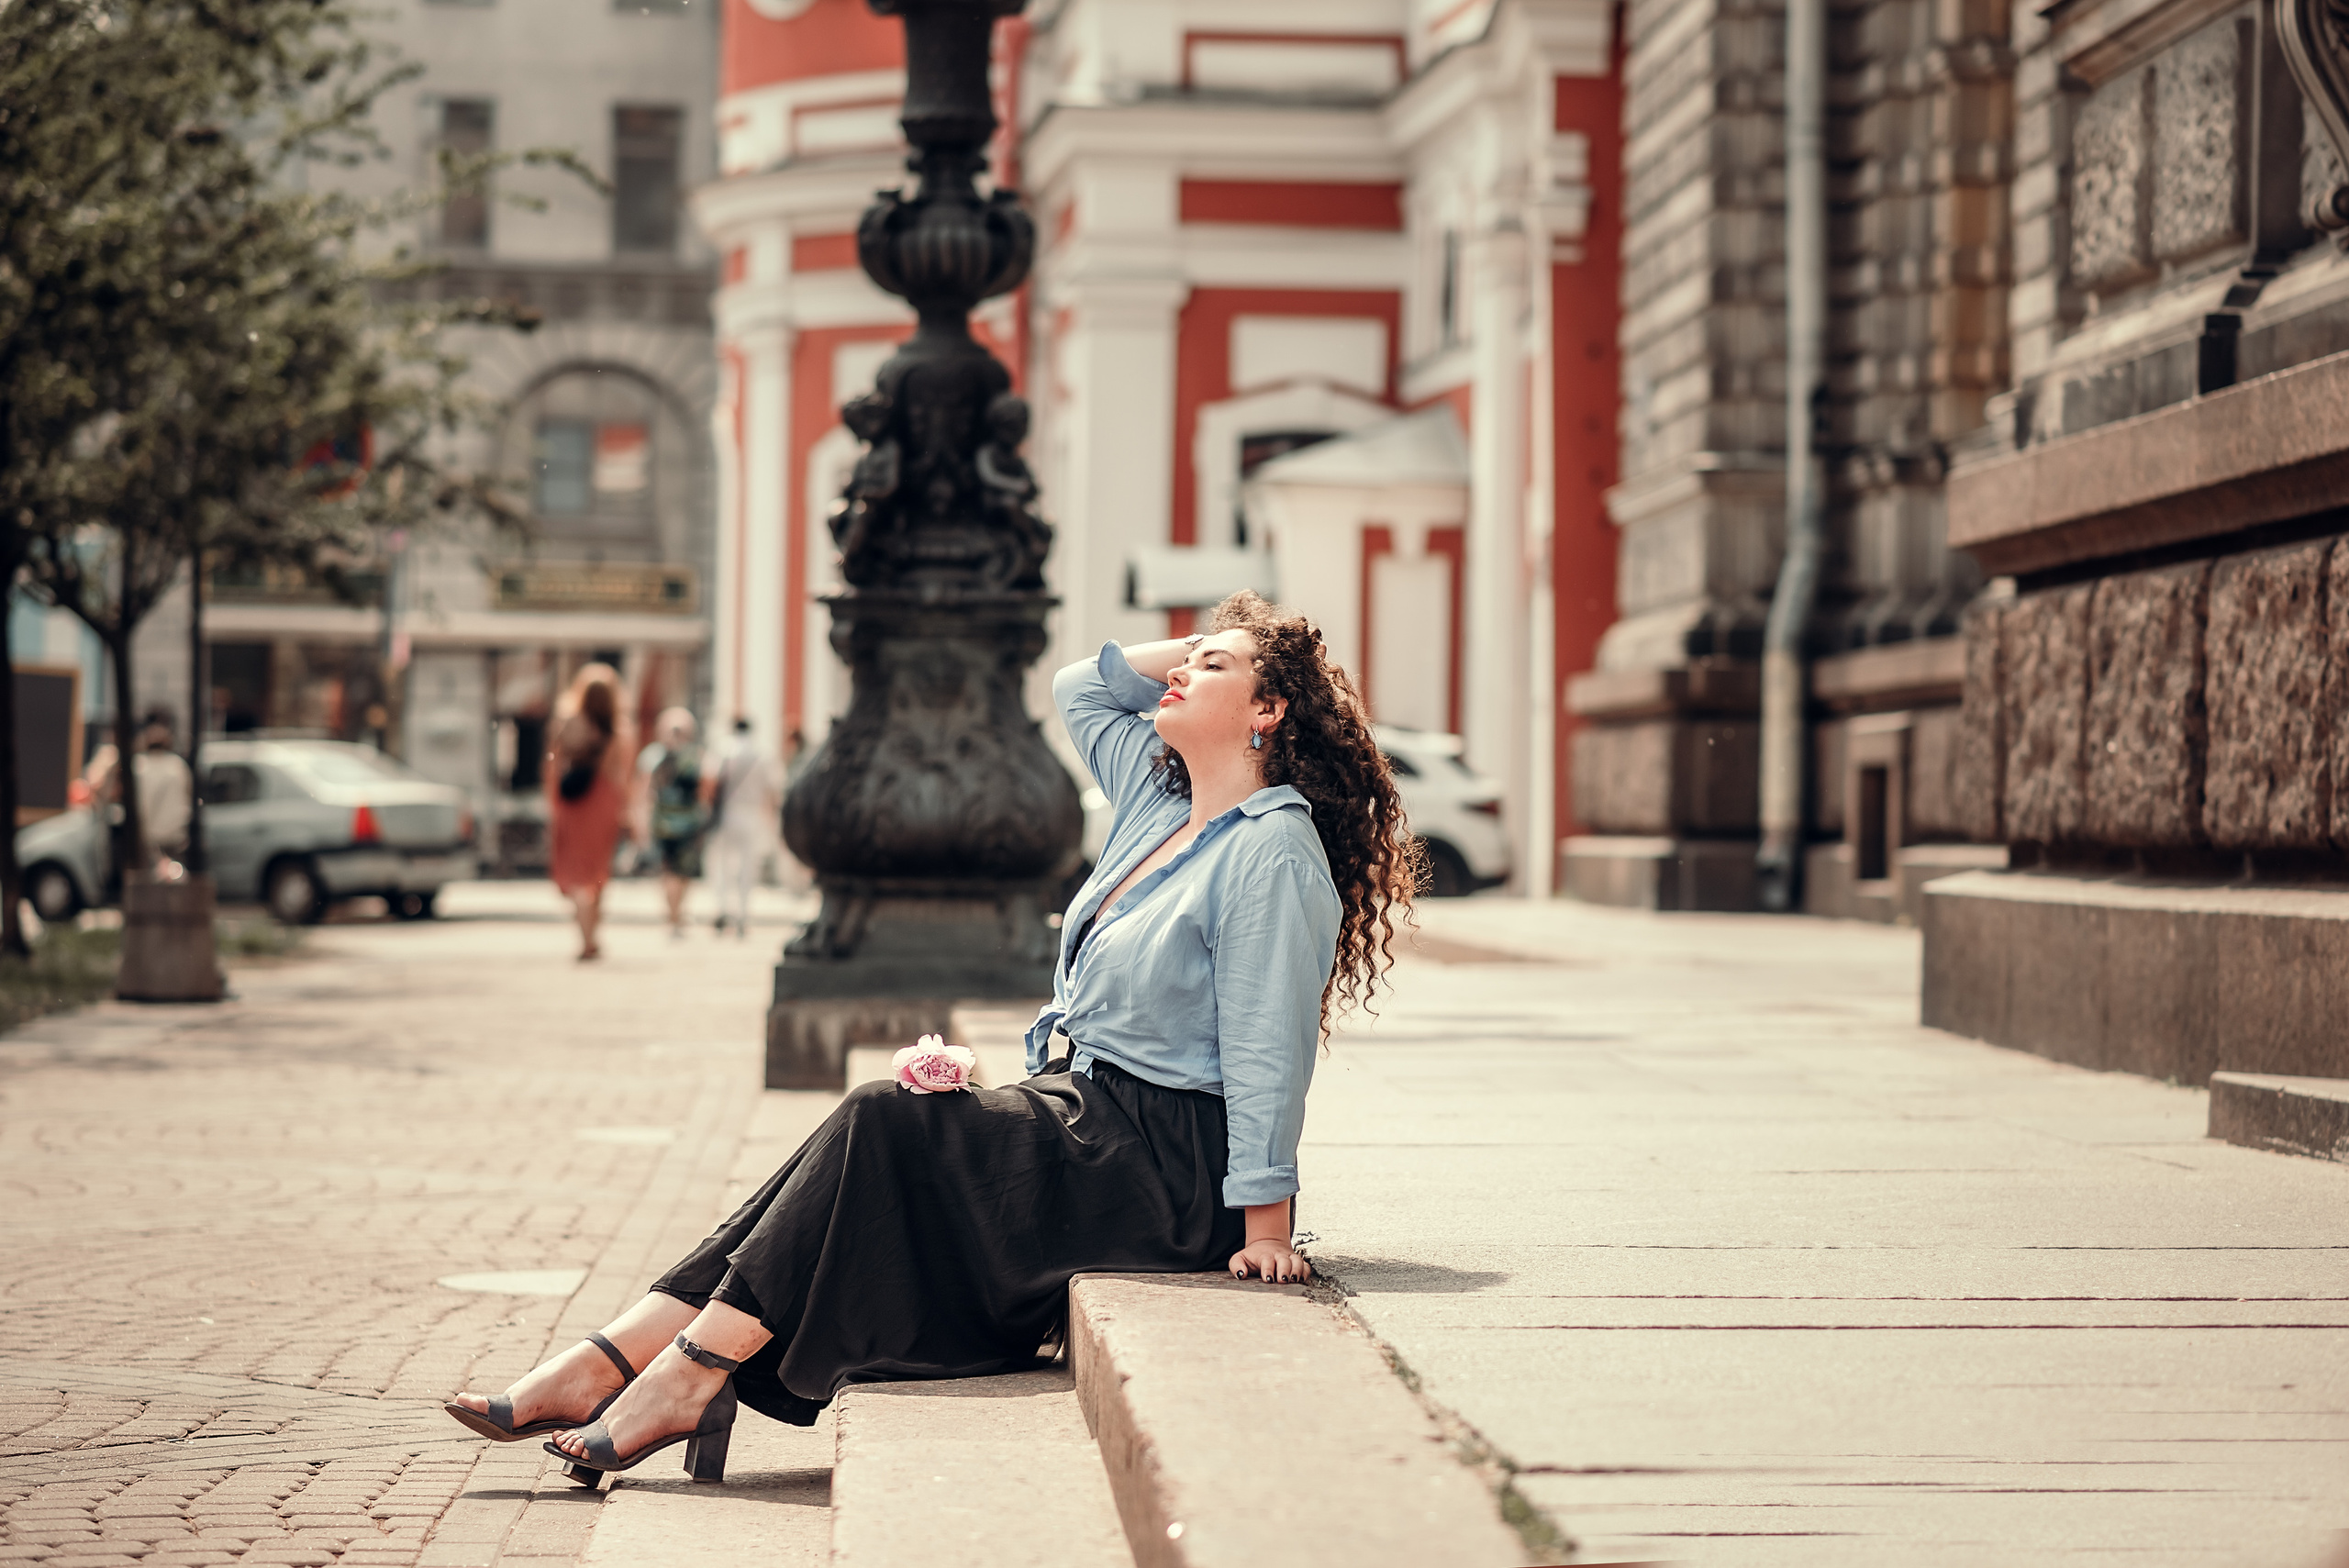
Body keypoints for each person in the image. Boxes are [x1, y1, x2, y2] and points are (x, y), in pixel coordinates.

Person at [443, 592, 1418, 1485]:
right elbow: (1084, 685)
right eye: (1187, 658)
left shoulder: (1273, 849)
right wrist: (1228, 642)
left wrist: (1265, 1229)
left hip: (1160, 1165)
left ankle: (669, 1370)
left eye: (1209, 669)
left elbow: (1267, 1047)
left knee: (884, 1113)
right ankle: (633, 1357)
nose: (1177, 673)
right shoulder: (1160, 804)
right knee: (876, 1124)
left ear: (1269, 713)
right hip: (1086, 1116)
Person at [544, 664, 633, 962]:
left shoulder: (566, 724)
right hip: (603, 803)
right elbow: (620, 774)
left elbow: (552, 767)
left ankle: (586, 940)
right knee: (597, 873)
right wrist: (626, 812)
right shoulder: (617, 731)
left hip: (573, 803)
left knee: (577, 873)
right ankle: (592, 936)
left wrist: (554, 803)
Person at [704, 718, 782, 937]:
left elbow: (709, 782)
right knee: (748, 866)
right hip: (752, 813)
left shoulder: (722, 749)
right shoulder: (764, 752)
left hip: (727, 812)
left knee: (721, 864)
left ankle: (721, 908)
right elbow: (773, 790)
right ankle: (743, 914)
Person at [635, 708, 707, 938]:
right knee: (678, 873)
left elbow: (643, 792)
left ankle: (673, 914)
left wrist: (641, 821)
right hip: (680, 825)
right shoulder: (693, 755)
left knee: (672, 873)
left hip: (671, 824)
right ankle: (675, 914)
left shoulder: (656, 756)